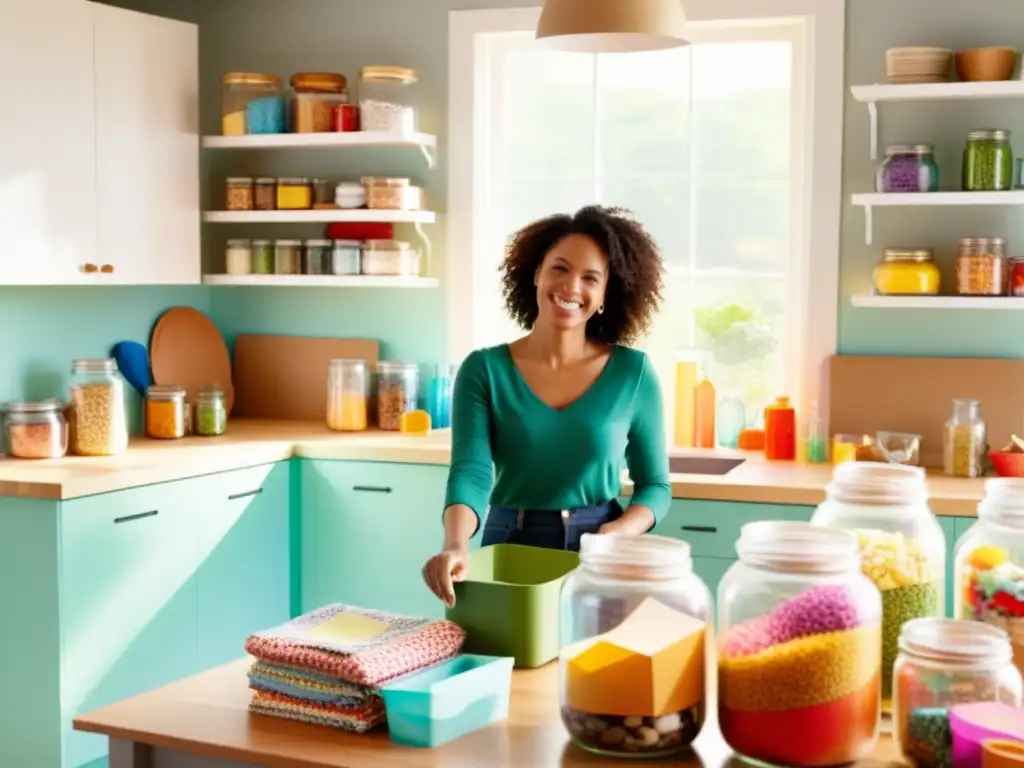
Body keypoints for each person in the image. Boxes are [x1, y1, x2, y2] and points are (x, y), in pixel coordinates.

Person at [422, 205, 672, 607]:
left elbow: (655, 486)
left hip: (600, 547)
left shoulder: (633, 373)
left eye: (590, 277)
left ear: (607, 293)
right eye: (560, 268)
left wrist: (620, 531)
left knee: (592, 666)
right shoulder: (484, 370)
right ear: (537, 273)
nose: (572, 286)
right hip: (508, 541)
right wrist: (455, 544)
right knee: (508, 663)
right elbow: (470, 472)